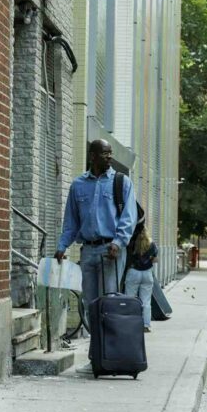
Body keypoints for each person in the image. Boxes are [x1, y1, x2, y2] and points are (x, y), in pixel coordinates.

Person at [55, 139, 137, 355]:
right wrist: (62, 246)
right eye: (104, 153)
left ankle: (110, 353)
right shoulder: (78, 185)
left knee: (108, 304)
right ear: (92, 156)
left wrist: (118, 242)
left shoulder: (122, 182)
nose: (109, 157)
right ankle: (96, 353)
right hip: (88, 252)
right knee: (91, 305)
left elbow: (128, 218)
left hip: (111, 251)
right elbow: (71, 222)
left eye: (110, 153)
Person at [125, 227, 158, 332]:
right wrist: (148, 261)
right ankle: (145, 325)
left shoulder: (131, 243)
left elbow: (126, 257)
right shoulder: (152, 244)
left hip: (133, 272)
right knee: (146, 301)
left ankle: (129, 324)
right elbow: (155, 259)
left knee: (130, 299)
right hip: (147, 273)